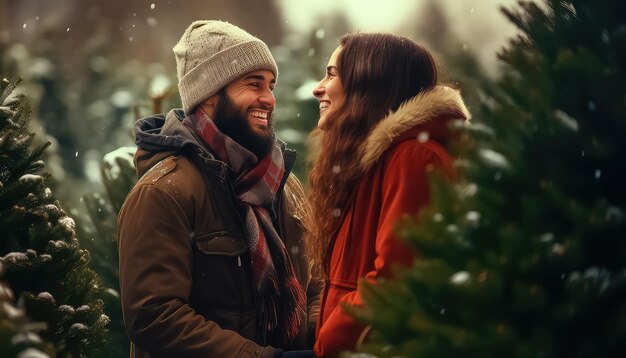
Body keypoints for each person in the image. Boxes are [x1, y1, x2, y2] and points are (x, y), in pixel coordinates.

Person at [117, 20, 321, 358]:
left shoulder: (284, 185)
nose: (269, 98)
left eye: (271, 85)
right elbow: (155, 316)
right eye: (254, 84)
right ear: (209, 94)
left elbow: (316, 279)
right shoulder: (163, 192)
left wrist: (317, 339)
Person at [307, 33, 471, 357]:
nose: (318, 87)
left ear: (369, 83)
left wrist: (330, 341)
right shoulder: (380, 159)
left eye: (331, 74)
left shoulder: (413, 157)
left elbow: (397, 280)